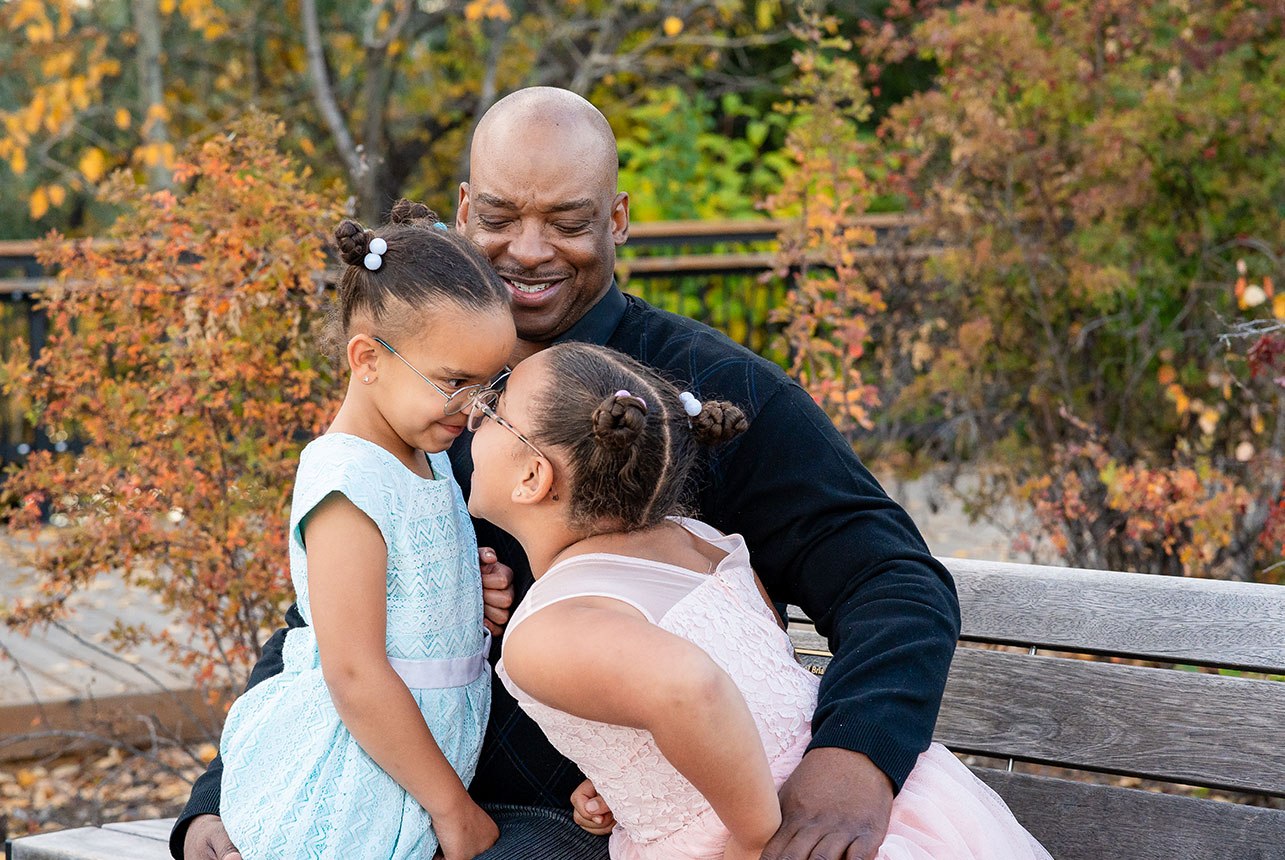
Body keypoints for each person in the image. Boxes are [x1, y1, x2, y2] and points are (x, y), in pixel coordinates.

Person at [175, 88, 960, 860]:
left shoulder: (714, 390)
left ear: (616, 218)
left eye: (568, 221)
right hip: (406, 800)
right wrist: (224, 793)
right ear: (461, 210)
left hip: (581, 821)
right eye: (499, 216)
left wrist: (853, 759)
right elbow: (334, 621)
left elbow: (890, 579)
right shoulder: (417, 391)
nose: (527, 249)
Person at [469, 341, 1053, 860]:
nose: (474, 417)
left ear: (533, 478)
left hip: (782, 832)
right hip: (898, 802)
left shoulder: (549, 627)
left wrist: (750, 838)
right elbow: (753, 662)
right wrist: (639, 778)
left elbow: (691, 687)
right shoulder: (694, 540)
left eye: (494, 409)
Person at [215, 201, 515, 860]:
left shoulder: (425, 454)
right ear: (367, 359)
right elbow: (353, 670)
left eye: (487, 384)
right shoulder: (346, 484)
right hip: (354, 779)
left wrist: (470, 584)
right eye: (454, 382)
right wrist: (451, 808)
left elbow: (409, 585)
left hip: (407, 774)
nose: (474, 406)